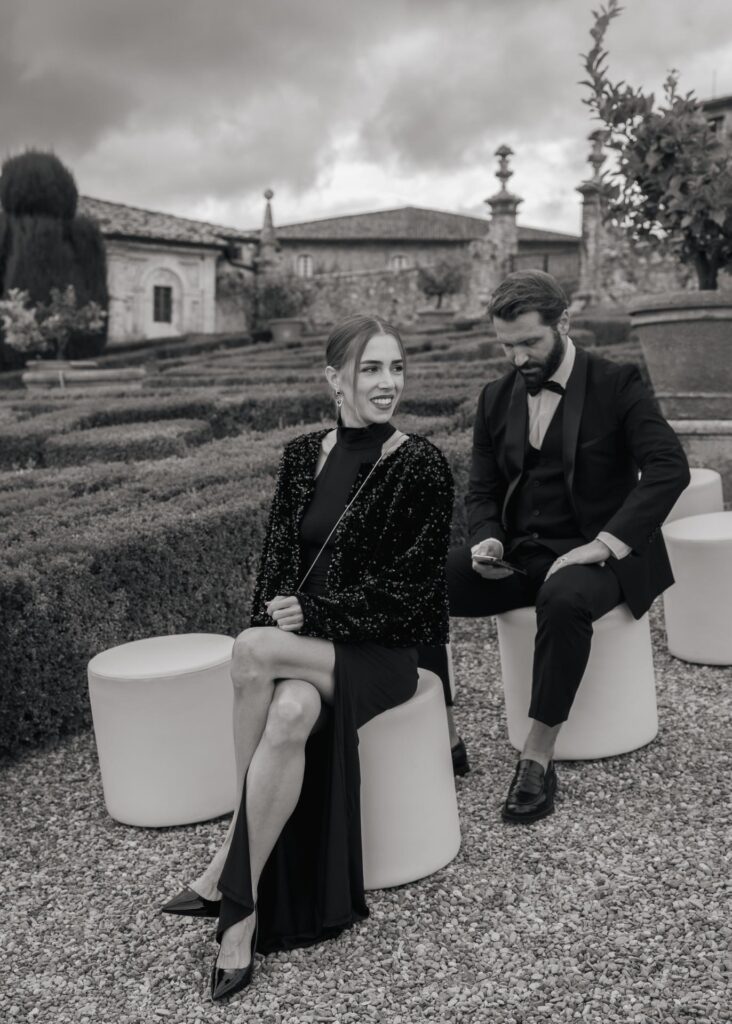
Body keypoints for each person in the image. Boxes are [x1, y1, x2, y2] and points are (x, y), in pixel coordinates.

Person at [161, 314, 454, 1001]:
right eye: (372, 369)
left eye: (397, 368)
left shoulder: (421, 462)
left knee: (251, 649)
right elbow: (274, 572)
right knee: (288, 712)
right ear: (334, 379)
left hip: (381, 652)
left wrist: (314, 617)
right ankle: (242, 915)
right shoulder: (301, 455)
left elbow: (413, 595)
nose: (388, 384)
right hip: (305, 649)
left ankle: (225, 866)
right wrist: (287, 622)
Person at [418, 270, 689, 824]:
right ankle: (442, 735)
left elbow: (668, 467)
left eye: (529, 342)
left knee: (563, 599)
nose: (518, 358)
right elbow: (484, 489)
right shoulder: (495, 397)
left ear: (563, 322)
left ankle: (538, 755)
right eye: (506, 345)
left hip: (603, 554)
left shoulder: (618, 383)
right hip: (522, 552)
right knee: (416, 581)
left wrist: (606, 544)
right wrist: (487, 537)